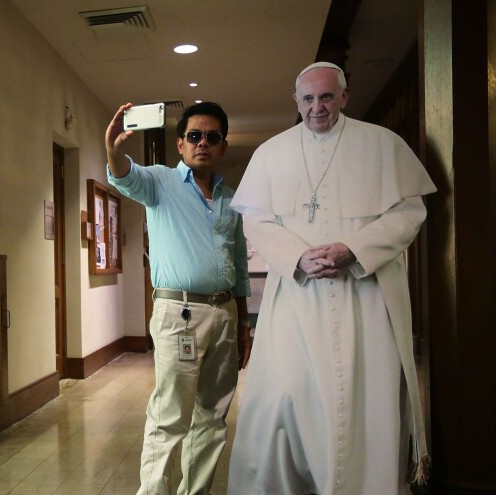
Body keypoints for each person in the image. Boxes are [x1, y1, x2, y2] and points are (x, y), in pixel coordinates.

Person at [227, 62, 437, 495]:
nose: (316, 108)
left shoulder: (382, 144)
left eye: (326, 97)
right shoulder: (272, 152)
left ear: (344, 97)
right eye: (308, 99)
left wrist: (354, 250)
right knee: (283, 400)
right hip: (297, 302)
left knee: (362, 403)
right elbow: (258, 222)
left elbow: (408, 212)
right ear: (296, 102)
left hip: (365, 298)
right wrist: (299, 257)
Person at [105, 101, 251, 495]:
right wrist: (114, 150)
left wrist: (243, 323)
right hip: (180, 314)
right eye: (194, 136)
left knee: (212, 418)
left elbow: (237, 260)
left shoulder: (230, 199)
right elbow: (123, 175)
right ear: (180, 145)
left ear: (222, 146)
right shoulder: (160, 182)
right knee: (170, 417)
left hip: (225, 314)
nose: (202, 142)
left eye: (212, 137)